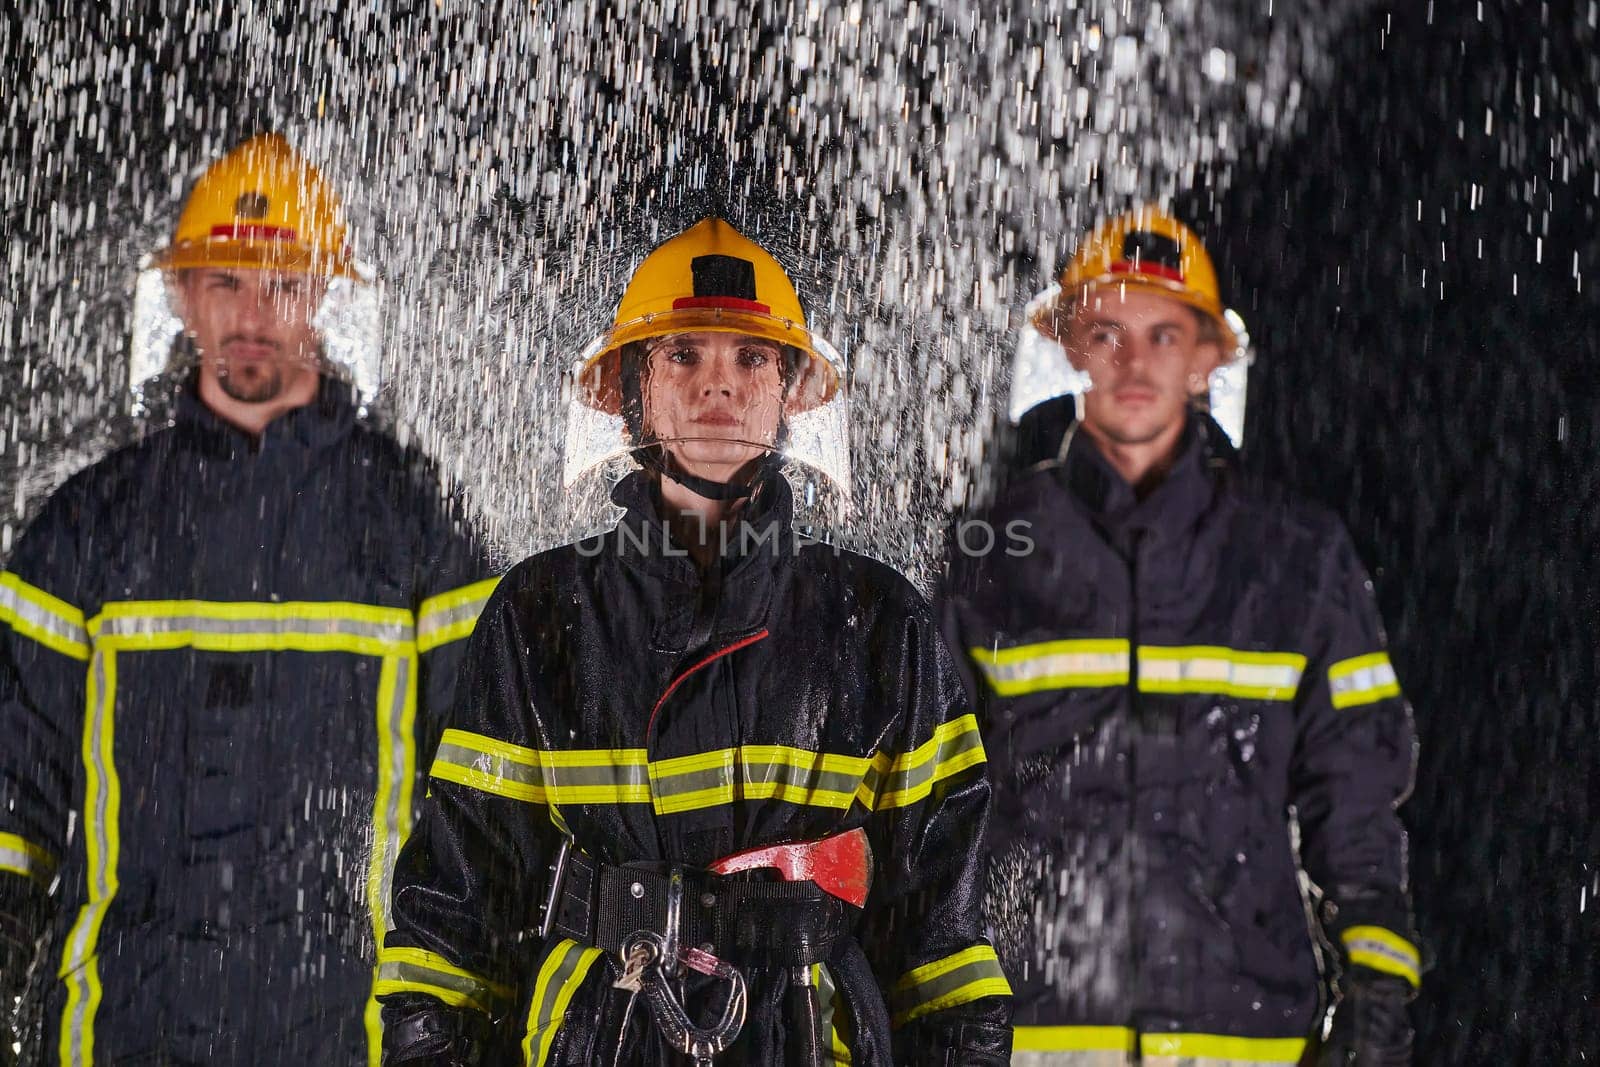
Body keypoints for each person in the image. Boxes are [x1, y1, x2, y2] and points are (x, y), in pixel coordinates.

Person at [375, 217, 1012, 1066]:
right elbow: (457, 897)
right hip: (600, 1040)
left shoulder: (877, 621)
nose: (720, 386)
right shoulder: (539, 612)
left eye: (751, 359)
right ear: (633, 387)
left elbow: (942, 929)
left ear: (790, 393)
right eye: (683, 355)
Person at [0, 133, 497, 1065]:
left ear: (326, 296)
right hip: (119, 1033)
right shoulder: (86, 530)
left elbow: (480, 810)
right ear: (183, 297)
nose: (251, 312)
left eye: (281, 281)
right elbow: (8, 793)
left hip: (349, 1037)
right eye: (225, 281)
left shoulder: (418, 529)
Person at [941, 208, 1419, 1065]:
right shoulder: (990, 553)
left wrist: (1377, 985)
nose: (1134, 361)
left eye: (1164, 334)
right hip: (1036, 1042)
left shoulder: (1297, 559)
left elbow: (1353, 796)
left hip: (1246, 1044)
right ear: (1070, 347)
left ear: (1207, 360)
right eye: (1108, 331)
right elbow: (933, 815)